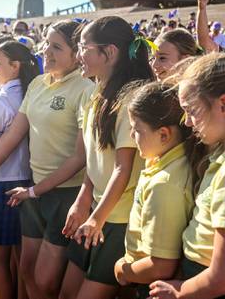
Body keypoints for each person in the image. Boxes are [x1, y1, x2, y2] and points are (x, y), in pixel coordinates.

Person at [0, 19, 94, 299]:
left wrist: (35, 191)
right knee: (27, 271)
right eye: (46, 44)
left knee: (45, 281)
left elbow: (81, 157)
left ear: (76, 53)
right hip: (34, 191)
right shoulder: (38, 84)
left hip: (65, 194)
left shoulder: (86, 88)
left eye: (56, 47)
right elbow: (14, 134)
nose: (47, 51)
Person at [60, 16, 153, 299]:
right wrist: (82, 200)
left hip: (118, 220)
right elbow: (96, 158)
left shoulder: (131, 98)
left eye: (84, 48)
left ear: (109, 52)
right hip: (97, 213)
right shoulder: (98, 94)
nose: (78, 56)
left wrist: (96, 219)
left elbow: (122, 169)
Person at [150, 52, 225, 298]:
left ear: (224, 105)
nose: (187, 122)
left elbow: (222, 278)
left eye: (192, 111)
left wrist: (179, 292)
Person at [114, 82, 194, 298]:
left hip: (151, 284)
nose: (131, 135)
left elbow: (161, 265)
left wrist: (123, 270)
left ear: (164, 135)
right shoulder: (161, 163)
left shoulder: (165, 184)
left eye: (137, 129)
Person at [0, 40, 39, 299]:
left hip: (0, 182)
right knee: (19, 260)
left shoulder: (2, 98)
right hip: (27, 180)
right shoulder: (30, 93)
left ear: (15, 66)